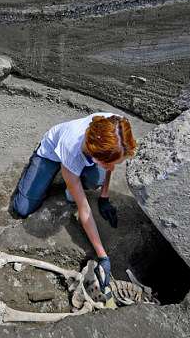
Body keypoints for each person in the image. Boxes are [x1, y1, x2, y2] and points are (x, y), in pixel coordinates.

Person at [10, 112, 137, 289]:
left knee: (96, 180)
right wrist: (103, 256)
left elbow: (110, 162)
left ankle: (74, 179)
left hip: (86, 157)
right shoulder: (71, 149)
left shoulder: (116, 127)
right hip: (50, 154)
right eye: (108, 162)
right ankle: (41, 170)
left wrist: (104, 196)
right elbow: (84, 210)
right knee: (22, 208)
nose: (112, 168)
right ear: (94, 153)